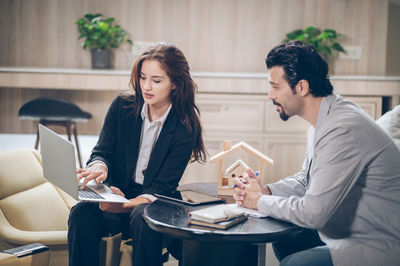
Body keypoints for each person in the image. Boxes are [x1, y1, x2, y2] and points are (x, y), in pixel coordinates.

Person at [233, 41, 400, 266]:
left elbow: (313, 214)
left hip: (377, 240)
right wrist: (268, 190)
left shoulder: (341, 129)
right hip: (348, 227)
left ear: (301, 87)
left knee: (296, 263)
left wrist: (259, 201)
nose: (270, 95)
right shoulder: (324, 119)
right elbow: (306, 179)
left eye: (275, 86)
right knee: (286, 239)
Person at [68, 42, 207, 266]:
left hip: (156, 203)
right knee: (81, 213)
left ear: (175, 84)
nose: (146, 86)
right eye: (143, 77)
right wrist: (99, 166)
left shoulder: (184, 126)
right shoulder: (122, 106)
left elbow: (161, 187)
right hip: (117, 193)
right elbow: (101, 152)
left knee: (142, 216)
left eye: (156, 80)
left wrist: (123, 204)